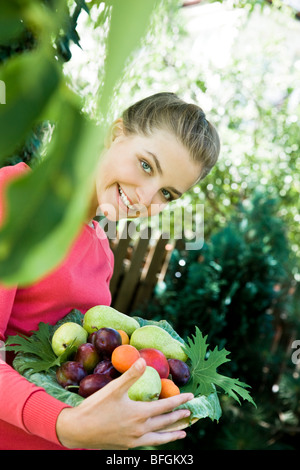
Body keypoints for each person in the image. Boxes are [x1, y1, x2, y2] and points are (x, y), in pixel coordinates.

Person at [0, 92, 220, 450]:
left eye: (167, 193)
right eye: (146, 165)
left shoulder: (102, 249)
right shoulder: (11, 198)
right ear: (117, 134)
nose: (147, 199)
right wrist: (64, 424)